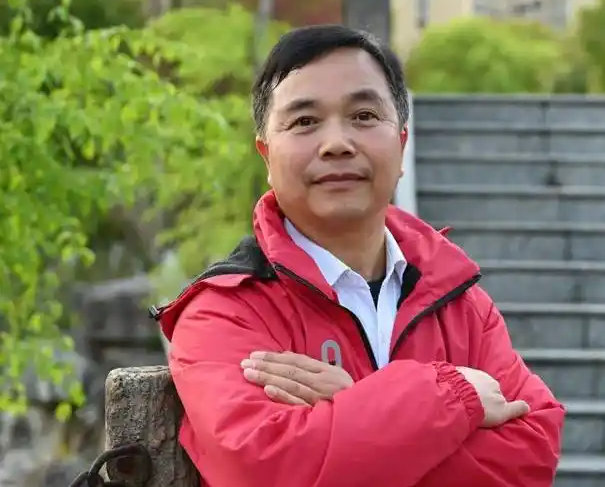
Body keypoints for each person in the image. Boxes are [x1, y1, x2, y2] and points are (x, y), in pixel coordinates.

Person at [151, 24, 566, 487]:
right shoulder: (225, 312)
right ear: (266, 156)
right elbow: (265, 469)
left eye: (364, 115)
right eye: (305, 122)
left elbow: (531, 455)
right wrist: (445, 397)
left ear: (402, 144)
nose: (337, 143)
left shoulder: (462, 305)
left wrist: (358, 406)